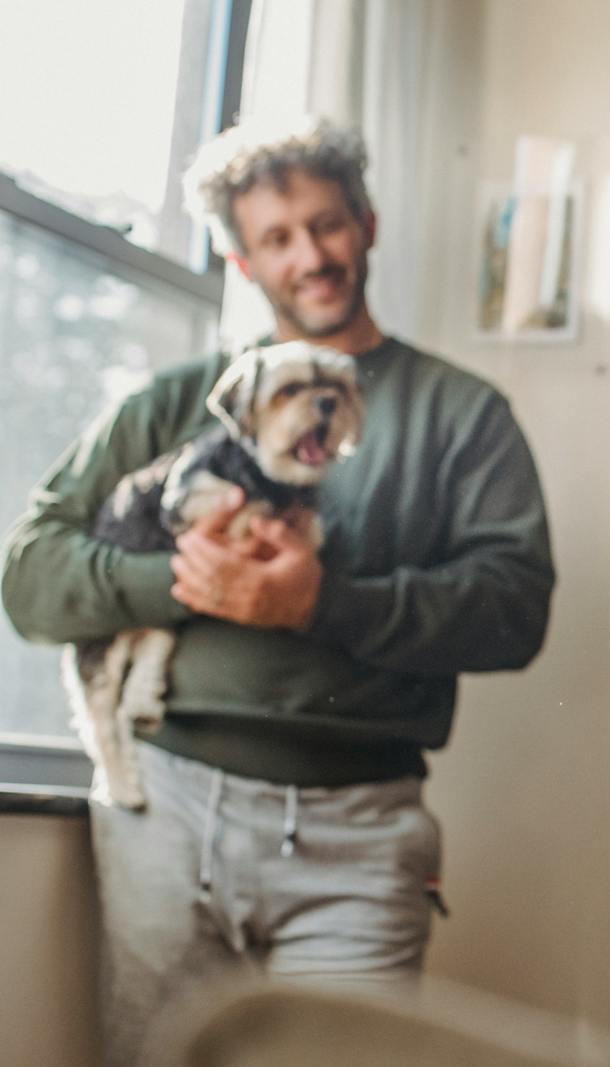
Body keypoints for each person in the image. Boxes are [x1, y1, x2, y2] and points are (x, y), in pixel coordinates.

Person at [0, 116, 555, 1066]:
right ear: (239, 258)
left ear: (368, 223)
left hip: (363, 836)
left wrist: (315, 602)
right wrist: (182, 579)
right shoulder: (175, 402)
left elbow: (514, 609)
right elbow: (29, 578)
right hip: (159, 818)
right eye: (278, 237)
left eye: (328, 224)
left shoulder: (464, 415)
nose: (312, 255)